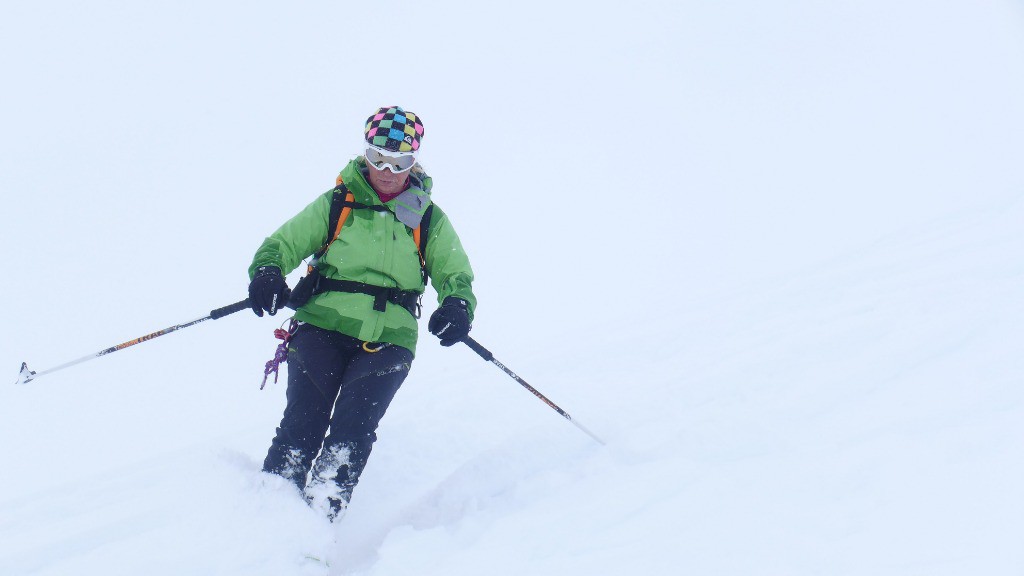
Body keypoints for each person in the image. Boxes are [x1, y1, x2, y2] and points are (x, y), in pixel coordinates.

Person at [247, 105, 476, 521]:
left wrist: (457, 304)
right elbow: (282, 243)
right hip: (321, 327)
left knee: (352, 429)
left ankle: (317, 524)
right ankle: (267, 520)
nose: (387, 172)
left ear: (414, 161)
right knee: (302, 422)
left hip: (389, 341)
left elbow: (454, 269)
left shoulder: (426, 217)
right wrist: (267, 272)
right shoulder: (339, 203)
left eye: (399, 162)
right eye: (377, 159)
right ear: (365, 153)